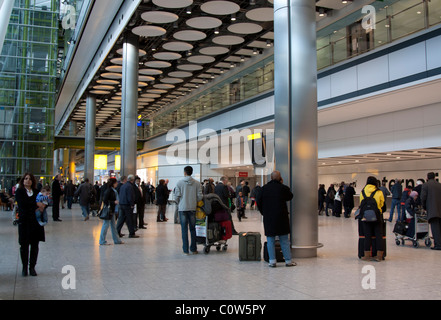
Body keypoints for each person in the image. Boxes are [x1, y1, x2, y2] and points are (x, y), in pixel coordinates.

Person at [256, 171, 296, 268]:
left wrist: (263, 212)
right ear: (280, 178)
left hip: (269, 218)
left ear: (271, 177)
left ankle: (272, 261)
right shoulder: (283, 188)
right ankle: (288, 261)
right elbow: (290, 196)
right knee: (284, 240)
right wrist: (281, 184)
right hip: (282, 218)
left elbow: (258, 201)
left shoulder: (264, 189)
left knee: (270, 240)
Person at [15, 173, 46, 276]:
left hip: (35, 223)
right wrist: (36, 204)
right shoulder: (19, 192)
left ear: (32, 181)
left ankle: (32, 267)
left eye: (30, 179)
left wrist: (40, 205)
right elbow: (23, 205)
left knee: (35, 245)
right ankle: (24, 267)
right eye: (26, 179)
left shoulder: (37, 192)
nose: (28, 180)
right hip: (24, 222)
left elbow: (44, 203)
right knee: (24, 246)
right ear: (23, 180)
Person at [174, 166, 203, 255]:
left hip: (182, 209)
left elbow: (177, 197)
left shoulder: (179, 183)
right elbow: (200, 197)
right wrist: (193, 201)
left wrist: (179, 203)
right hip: (192, 208)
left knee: (184, 229)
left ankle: (185, 250)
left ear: (184, 172)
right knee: (193, 229)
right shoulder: (197, 183)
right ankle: (193, 249)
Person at [359, 176, 385, 262]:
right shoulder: (379, 192)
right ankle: (379, 256)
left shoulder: (362, 192)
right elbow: (382, 204)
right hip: (377, 216)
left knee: (367, 236)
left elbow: (361, 205)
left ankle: (366, 256)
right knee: (379, 235)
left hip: (366, 216)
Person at [99, 178, 123, 246]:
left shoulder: (113, 190)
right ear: (113, 183)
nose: (117, 184)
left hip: (112, 210)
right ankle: (102, 240)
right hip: (109, 210)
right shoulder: (109, 191)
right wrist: (113, 202)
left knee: (113, 226)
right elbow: (105, 201)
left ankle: (117, 240)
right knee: (106, 225)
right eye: (116, 183)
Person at [421, 172, 441, 250]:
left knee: (435, 228)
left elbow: (423, 197)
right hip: (439, 209)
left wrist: (424, 207)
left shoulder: (425, 185)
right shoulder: (439, 185)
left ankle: (438, 245)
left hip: (433, 210)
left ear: (427, 178)